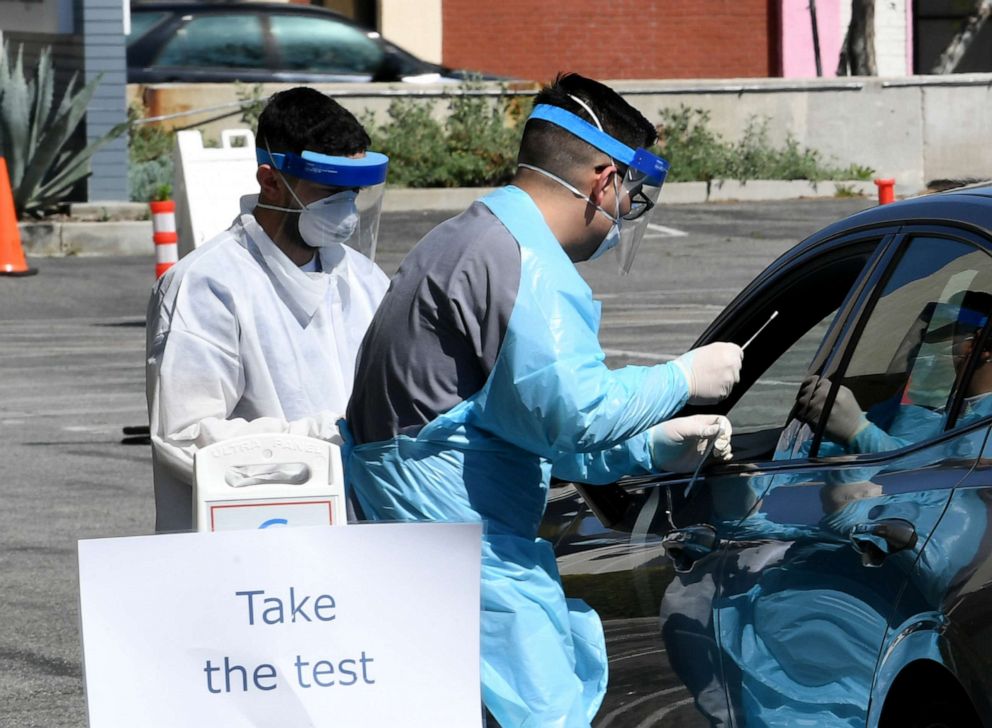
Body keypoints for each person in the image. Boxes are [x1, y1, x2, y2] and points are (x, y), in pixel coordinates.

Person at [344, 73, 743, 727]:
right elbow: (573, 411)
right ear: (602, 179)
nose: (626, 211)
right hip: (465, 555)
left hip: (427, 543)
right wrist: (681, 377)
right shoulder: (525, 263)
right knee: (542, 711)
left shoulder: (468, 237)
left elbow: (517, 420)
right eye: (631, 193)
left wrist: (648, 443)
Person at [146, 87, 390, 532]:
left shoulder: (365, 279)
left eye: (354, 192)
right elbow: (186, 438)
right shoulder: (207, 285)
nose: (346, 209)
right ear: (271, 180)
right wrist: (332, 439)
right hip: (251, 545)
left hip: (352, 542)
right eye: (328, 190)